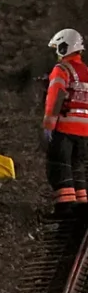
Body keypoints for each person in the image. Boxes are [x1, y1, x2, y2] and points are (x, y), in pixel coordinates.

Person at [43, 28, 88, 219]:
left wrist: (49, 124)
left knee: (59, 165)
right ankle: (82, 204)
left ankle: (64, 206)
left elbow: (56, 97)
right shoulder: (86, 71)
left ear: (64, 47)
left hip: (65, 127)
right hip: (85, 131)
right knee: (77, 166)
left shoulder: (61, 69)